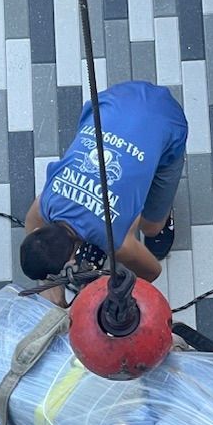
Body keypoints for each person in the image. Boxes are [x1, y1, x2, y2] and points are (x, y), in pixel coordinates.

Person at [21, 81, 187, 299]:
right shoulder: (49, 201)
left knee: (151, 227)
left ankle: (161, 213)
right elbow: (31, 222)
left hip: (168, 121)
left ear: (72, 259)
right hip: (115, 101)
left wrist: (99, 289)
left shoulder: (118, 243)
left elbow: (151, 271)